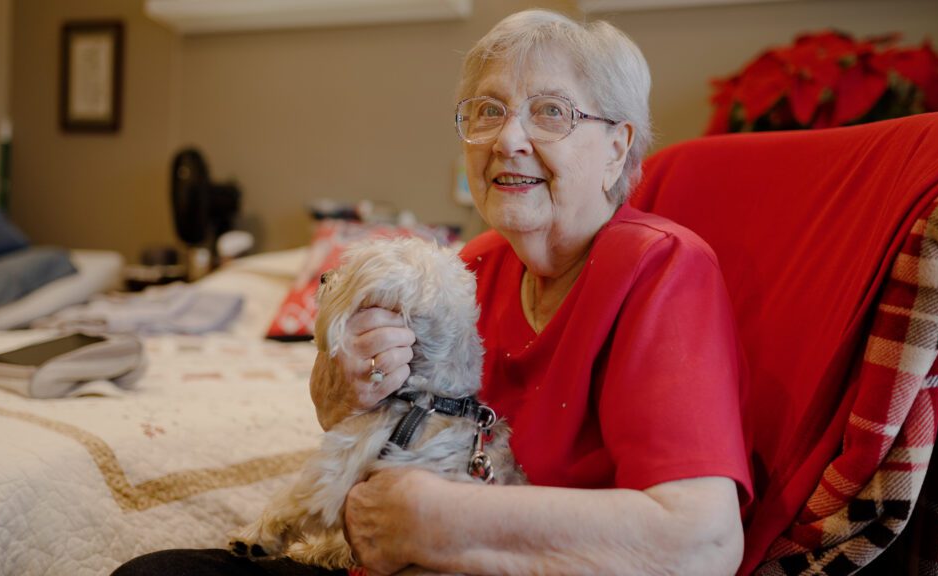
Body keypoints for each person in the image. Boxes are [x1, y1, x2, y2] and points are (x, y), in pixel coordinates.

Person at [114, 8, 750, 576]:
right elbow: (361, 424)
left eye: (552, 112)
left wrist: (444, 519)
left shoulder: (661, 268)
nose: (508, 138)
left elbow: (700, 544)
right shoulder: (467, 271)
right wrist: (346, 387)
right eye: (488, 110)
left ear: (618, 147)